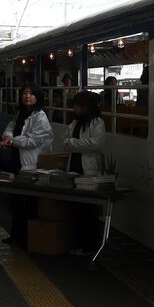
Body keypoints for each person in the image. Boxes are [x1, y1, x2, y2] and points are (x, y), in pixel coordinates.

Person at [0, 84, 52, 247]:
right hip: (17, 160)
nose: (27, 96)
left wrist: (13, 141)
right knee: (16, 200)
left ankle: (30, 237)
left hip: (31, 164)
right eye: (25, 93)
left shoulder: (40, 117)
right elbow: (10, 128)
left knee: (30, 202)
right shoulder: (20, 113)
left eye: (31, 94)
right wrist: (7, 136)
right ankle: (17, 235)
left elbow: (35, 140)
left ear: (38, 97)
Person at [63, 92, 106, 253]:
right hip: (74, 167)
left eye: (77, 105)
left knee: (89, 210)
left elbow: (96, 144)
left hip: (88, 170)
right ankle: (78, 243)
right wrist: (74, 143)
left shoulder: (97, 122)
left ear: (86, 106)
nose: (74, 108)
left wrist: (73, 143)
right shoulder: (75, 122)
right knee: (76, 209)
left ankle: (91, 246)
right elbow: (64, 139)